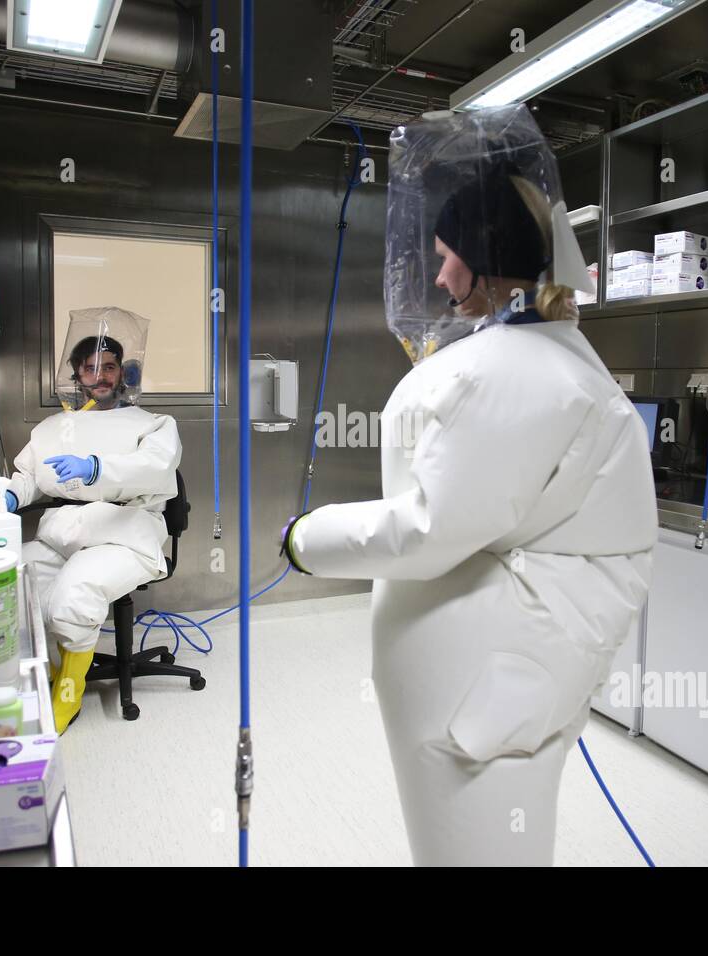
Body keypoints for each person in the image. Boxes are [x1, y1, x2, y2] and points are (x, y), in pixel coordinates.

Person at [279, 106, 657, 865]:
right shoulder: (550, 357)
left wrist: (304, 539)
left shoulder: (508, 373)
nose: (441, 274)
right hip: (501, 674)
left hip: (481, 687)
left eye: (450, 255)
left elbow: (428, 529)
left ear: (492, 258)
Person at [5, 307, 181, 732]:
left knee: (72, 597)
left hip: (124, 534)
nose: (100, 376)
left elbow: (155, 469)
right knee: (11, 584)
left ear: (125, 372)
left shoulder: (154, 424)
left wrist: (95, 468)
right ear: (75, 373)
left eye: (109, 367)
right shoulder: (54, 428)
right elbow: (30, 474)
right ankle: (43, 675)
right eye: (90, 368)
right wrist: (10, 494)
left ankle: (68, 694)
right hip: (62, 533)